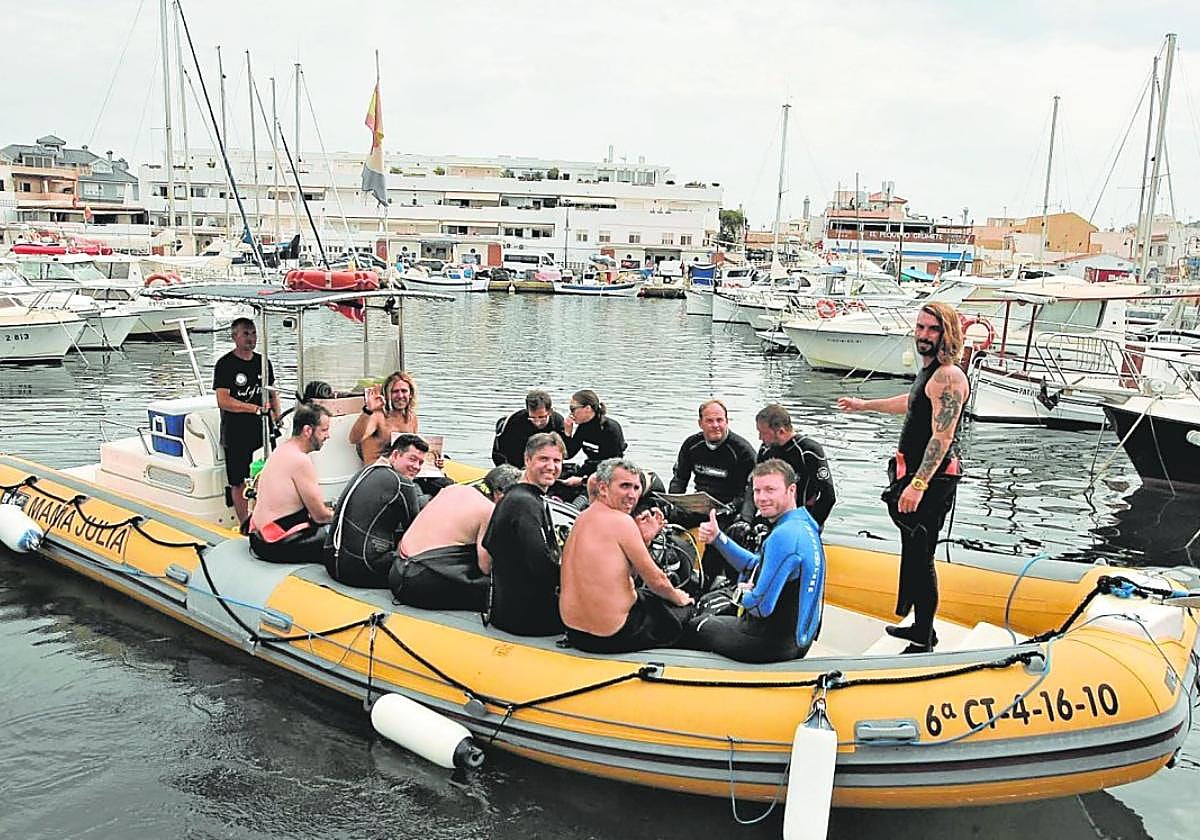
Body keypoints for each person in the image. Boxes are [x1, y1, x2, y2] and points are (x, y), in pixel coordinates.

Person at [837, 301, 968, 653]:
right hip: (913, 476)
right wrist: (865, 405)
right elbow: (912, 402)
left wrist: (918, 485)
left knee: (922, 556)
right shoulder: (930, 374)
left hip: (931, 481)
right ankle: (921, 626)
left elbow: (942, 437)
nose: (924, 335)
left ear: (947, 334)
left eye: (933, 329)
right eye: (921, 327)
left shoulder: (948, 377)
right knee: (913, 552)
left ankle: (924, 639)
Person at [688, 459, 825, 663]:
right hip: (799, 642)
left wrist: (740, 593)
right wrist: (718, 538)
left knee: (694, 624)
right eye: (757, 491)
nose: (761, 498)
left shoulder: (784, 536)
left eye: (770, 490)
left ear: (791, 490)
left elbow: (761, 607)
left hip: (769, 645)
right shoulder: (803, 525)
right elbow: (756, 566)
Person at [559, 458, 694, 654]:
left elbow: (622, 574)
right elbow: (657, 581)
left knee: (647, 597)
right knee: (685, 610)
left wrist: (645, 539)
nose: (632, 495)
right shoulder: (622, 521)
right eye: (624, 486)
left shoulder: (583, 517)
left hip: (575, 633)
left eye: (636, 488)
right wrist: (679, 598)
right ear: (603, 488)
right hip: (611, 635)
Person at [390, 465, 523, 610]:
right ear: (501, 495)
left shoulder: (451, 489)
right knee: (510, 592)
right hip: (421, 582)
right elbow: (485, 567)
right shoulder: (489, 510)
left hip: (397, 571)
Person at [481, 432, 567, 636]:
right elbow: (541, 564)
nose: (551, 467)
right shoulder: (525, 504)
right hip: (529, 619)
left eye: (557, 461)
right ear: (527, 460)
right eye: (543, 459)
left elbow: (489, 546)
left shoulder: (512, 497)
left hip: (505, 611)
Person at [323, 434, 428, 588]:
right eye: (412, 459)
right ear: (395, 455)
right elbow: (415, 535)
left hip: (332, 563)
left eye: (421, 463)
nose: (417, 467)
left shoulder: (366, 470)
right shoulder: (403, 484)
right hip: (361, 570)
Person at [668, 399, 757, 581]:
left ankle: (707, 580)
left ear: (727, 421)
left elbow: (749, 493)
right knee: (662, 520)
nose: (715, 425)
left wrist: (733, 509)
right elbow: (679, 479)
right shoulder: (692, 445)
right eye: (710, 421)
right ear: (700, 423)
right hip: (699, 504)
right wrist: (673, 502)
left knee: (716, 538)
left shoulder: (742, 451)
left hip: (727, 510)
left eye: (720, 420)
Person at [213, 317, 280, 524]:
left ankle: (267, 517)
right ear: (234, 337)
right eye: (246, 334)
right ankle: (244, 523)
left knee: (267, 474)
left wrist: (277, 416)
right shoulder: (225, 364)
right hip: (236, 431)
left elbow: (272, 393)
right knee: (238, 480)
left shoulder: (263, 362)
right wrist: (254, 409)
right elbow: (223, 400)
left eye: (253, 333)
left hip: (263, 430)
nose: (251, 338)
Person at [247, 403, 333, 564]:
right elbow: (320, 516)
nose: (328, 436)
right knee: (339, 536)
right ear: (307, 430)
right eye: (324, 430)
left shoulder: (282, 449)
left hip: (258, 537)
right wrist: (341, 516)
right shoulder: (300, 460)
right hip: (274, 544)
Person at [747, 403, 836, 528]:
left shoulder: (808, 451)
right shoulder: (766, 450)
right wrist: (745, 519)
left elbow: (828, 496)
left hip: (803, 518)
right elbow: (754, 486)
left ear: (781, 431)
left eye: (764, 433)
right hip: (772, 517)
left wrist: (811, 524)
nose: (760, 437)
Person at [558, 389, 626, 503]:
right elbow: (568, 454)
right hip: (589, 467)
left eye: (573, 409)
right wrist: (567, 434)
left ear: (587, 408)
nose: (571, 413)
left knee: (585, 493)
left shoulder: (611, 429)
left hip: (608, 473)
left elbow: (613, 465)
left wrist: (583, 480)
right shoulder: (583, 428)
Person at [349, 371, 419, 464]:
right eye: (395, 391)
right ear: (387, 394)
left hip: (400, 468)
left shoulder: (411, 418)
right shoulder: (377, 416)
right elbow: (354, 439)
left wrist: (434, 459)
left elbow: (414, 450)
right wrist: (368, 410)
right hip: (377, 468)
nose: (400, 396)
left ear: (410, 394)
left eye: (404, 391)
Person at [492, 390, 566, 467]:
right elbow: (502, 453)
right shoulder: (514, 422)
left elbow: (566, 454)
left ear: (550, 412)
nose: (537, 422)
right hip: (516, 461)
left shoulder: (558, 422)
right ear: (527, 411)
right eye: (532, 417)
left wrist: (568, 435)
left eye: (541, 417)